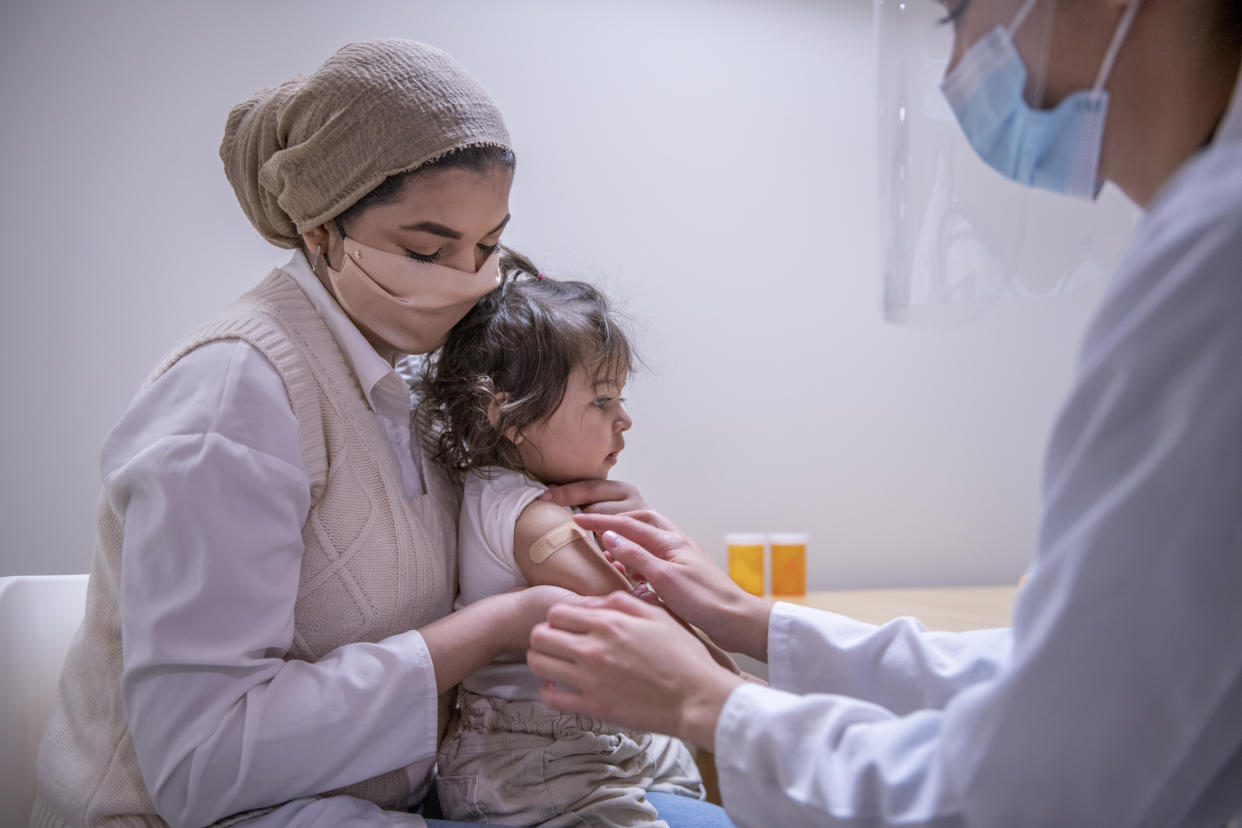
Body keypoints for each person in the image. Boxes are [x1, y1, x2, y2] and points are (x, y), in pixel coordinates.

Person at [527, 0, 1242, 825]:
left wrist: (711, 703)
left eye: (955, 14)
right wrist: (751, 622)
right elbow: (1073, 680)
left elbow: (1028, 791)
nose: (953, 70)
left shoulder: (1216, 260)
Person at [30, 39, 645, 828]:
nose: (467, 281)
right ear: (321, 232)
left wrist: (556, 510)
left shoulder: (396, 380)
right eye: (427, 249)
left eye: (487, 247)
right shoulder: (235, 396)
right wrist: (498, 625)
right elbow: (202, 764)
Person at [416, 269, 734, 827]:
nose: (625, 419)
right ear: (510, 416)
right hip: (533, 756)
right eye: (602, 400)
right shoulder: (531, 518)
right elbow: (640, 618)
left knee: (678, 761)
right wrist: (734, 684)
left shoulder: (517, 492)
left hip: (587, 730)